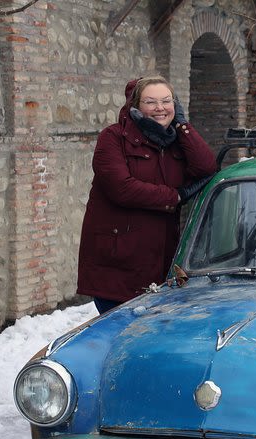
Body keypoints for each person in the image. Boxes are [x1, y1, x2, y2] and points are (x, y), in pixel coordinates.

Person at [77, 76, 217, 313]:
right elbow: (122, 188)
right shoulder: (113, 138)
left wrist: (183, 125)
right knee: (120, 337)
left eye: (167, 101)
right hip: (119, 264)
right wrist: (174, 196)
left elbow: (207, 167)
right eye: (150, 102)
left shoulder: (176, 141)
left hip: (161, 263)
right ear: (136, 107)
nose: (160, 108)